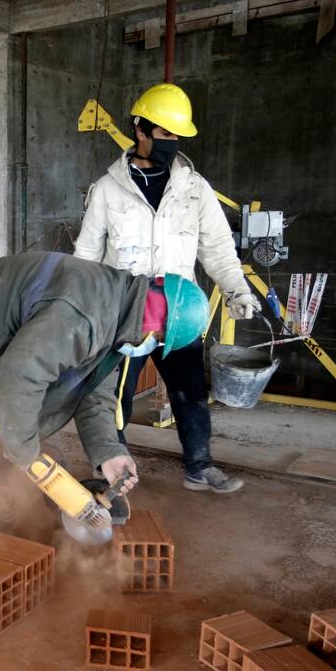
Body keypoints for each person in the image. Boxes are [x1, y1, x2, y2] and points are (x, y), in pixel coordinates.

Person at [0, 251, 209, 514]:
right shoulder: (87, 314)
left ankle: (3, 502)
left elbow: (95, 393)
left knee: (24, 423)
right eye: (158, 340)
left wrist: (109, 452)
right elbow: (22, 371)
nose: (152, 346)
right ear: (157, 321)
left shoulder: (118, 312)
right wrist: (26, 456)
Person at [74, 83, 260, 495]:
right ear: (140, 130)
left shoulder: (195, 189)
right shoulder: (107, 190)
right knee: (113, 397)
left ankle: (200, 466)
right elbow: (86, 256)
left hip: (180, 314)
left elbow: (217, 248)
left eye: (177, 137)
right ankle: (114, 469)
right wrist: (82, 310)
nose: (172, 144)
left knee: (191, 391)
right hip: (126, 314)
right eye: (165, 134)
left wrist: (237, 290)